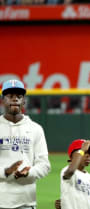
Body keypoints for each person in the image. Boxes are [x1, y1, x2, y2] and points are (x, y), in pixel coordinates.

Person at [0, 79, 51, 209]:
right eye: (10, 96)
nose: (15, 99)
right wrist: (5, 172)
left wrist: (30, 172)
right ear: (3, 100)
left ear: (24, 101)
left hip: (26, 202)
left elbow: (44, 165)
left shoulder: (36, 129)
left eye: (19, 96)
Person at [54, 139, 90, 209]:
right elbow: (70, 172)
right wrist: (82, 150)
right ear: (72, 155)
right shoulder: (67, 170)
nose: (88, 155)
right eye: (85, 152)